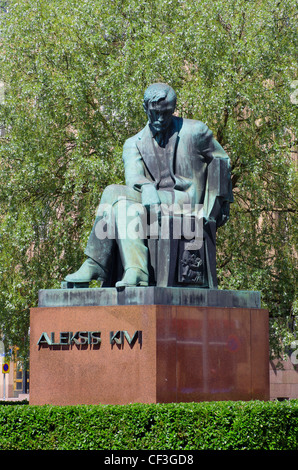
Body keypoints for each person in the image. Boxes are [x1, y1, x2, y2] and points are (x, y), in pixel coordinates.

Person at [64, 83, 233, 288]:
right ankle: (136, 271)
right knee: (120, 204)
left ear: (173, 109)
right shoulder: (133, 143)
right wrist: (147, 187)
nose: (160, 119)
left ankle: (96, 263)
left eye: (166, 113)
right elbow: (133, 176)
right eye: (155, 113)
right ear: (145, 109)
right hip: (150, 202)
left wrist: (219, 203)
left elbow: (221, 160)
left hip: (186, 201)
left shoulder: (195, 131)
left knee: (112, 194)